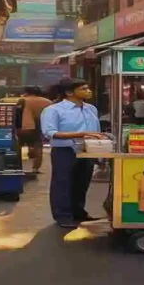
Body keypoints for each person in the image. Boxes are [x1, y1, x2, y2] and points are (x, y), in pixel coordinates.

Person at [41, 78, 102, 228]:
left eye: (88, 88)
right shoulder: (54, 110)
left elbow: (95, 131)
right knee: (62, 183)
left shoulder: (91, 108)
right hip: (65, 150)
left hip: (88, 150)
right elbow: (50, 132)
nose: (88, 91)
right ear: (69, 92)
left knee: (82, 183)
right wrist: (80, 134)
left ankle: (78, 212)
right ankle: (63, 216)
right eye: (83, 89)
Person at [17, 86, 52, 174]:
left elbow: (18, 113)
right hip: (39, 126)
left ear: (27, 92)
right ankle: (35, 168)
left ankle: (17, 167)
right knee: (38, 146)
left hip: (24, 126)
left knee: (18, 147)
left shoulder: (23, 100)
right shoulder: (47, 102)